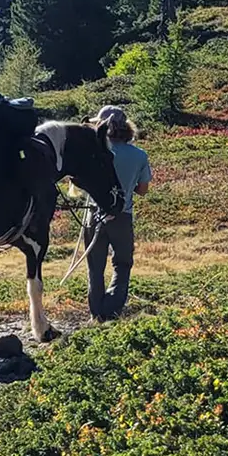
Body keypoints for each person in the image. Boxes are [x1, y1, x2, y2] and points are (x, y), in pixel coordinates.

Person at [82, 105, 150, 321]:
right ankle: (111, 310)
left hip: (93, 215)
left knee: (95, 265)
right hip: (122, 216)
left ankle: (96, 313)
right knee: (122, 263)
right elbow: (143, 190)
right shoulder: (139, 155)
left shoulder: (94, 152)